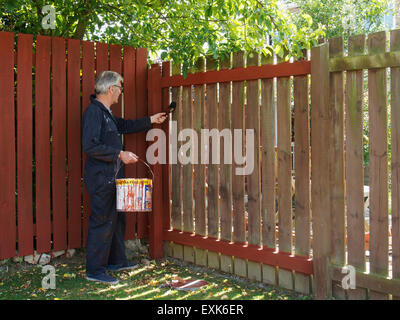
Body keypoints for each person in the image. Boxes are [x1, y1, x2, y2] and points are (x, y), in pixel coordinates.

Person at [82, 71, 167, 285]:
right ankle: (94, 270)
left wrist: (151, 120)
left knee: (117, 220)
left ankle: (116, 261)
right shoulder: (94, 112)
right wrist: (120, 154)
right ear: (111, 89)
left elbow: (125, 126)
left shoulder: (106, 113)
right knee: (102, 221)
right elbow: (90, 146)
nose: (120, 92)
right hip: (101, 178)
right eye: (120, 88)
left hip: (112, 176)